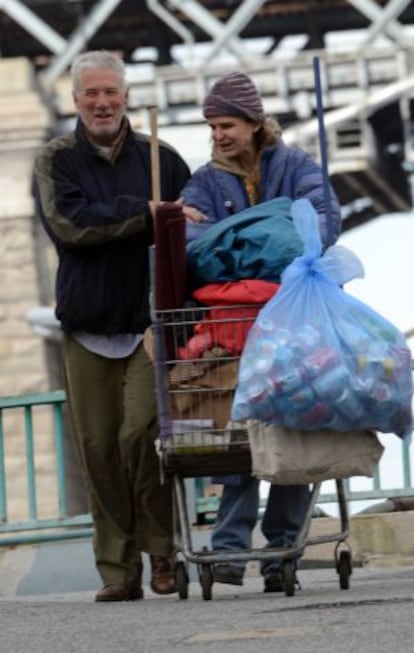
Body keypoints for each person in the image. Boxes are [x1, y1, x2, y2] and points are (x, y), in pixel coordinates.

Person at [33, 50, 191, 602]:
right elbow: (70, 226)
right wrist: (143, 212)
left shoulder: (164, 159)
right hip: (86, 330)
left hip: (148, 327)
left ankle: (162, 551)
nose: (102, 103)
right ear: (74, 100)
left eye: (111, 92)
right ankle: (117, 573)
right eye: (90, 94)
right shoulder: (56, 160)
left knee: (141, 437)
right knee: (98, 448)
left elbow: (187, 238)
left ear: (126, 96)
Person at [180, 71, 342, 592]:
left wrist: (237, 245)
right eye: (212, 126)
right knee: (239, 436)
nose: (218, 135)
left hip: (289, 323)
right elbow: (193, 244)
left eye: (226, 124)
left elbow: (321, 225)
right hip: (249, 325)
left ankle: (276, 550)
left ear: (254, 124)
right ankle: (231, 550)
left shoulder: (296, 165)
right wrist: (273, 235)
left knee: (291, 430)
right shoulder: (203, 179)